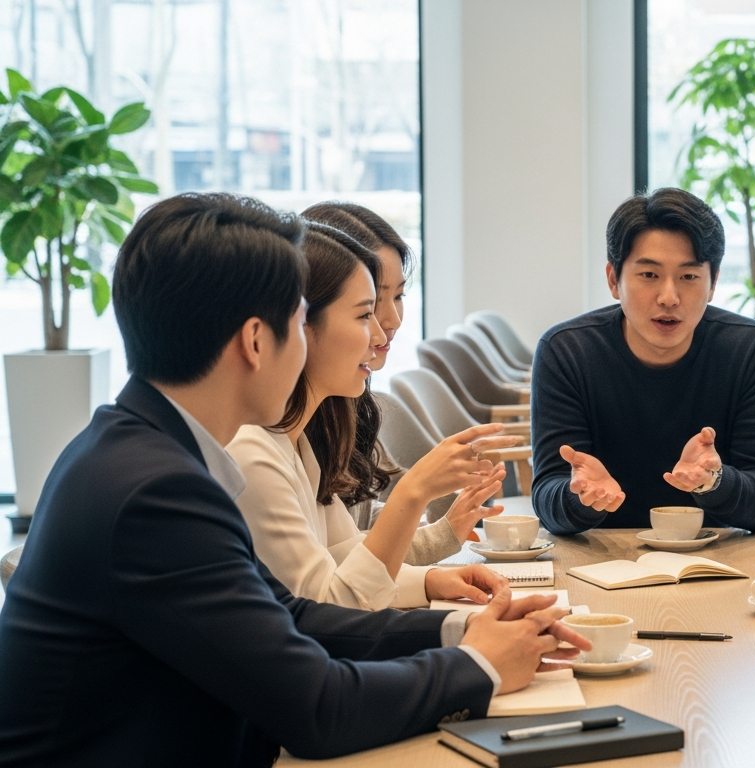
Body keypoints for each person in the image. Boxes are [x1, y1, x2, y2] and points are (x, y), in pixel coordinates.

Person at [0, 193, 588, 765]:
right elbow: (316, 709)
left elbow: (292, 616)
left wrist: (462, 630)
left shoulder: (148, 450)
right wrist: (478, 667)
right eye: (301, 321)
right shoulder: (155, 491)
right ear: (257, 340)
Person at [227, 222, 518, 610]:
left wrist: (430, 580)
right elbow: (331, 604)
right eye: (366, 314)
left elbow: (343, 554)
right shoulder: (253, 450)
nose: (382, 335)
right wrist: (415, 491)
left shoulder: (295, 443)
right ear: (298, 325)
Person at [531, 187, 755, 534]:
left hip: (720, 562)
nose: (669, 297)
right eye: (649, 275)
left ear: (712, 284)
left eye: (689, 276)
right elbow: (549, 495)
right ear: (613, 280)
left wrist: (714, 481)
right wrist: (580, 496)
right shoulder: (567, 352)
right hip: (601, 560)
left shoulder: (752, 349)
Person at [302, 202, 477, 565]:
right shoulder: (274, 434)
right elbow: (325, 587)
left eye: (398, 296)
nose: (390, 320)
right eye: (369, 306)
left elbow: (350, 539)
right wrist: (415, 493)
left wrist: (445, 531)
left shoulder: (347, 403)